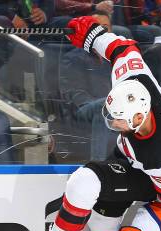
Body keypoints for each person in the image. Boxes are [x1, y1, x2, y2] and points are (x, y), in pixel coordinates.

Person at [19, 15, 161, 231]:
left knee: (84, 181)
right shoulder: (134, 79)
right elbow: (122, 48)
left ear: (140, 117)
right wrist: (91, 34)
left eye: (119, 120)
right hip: (132, 156)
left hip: (155, 177)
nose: (112, 123)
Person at [59, 10, 118, 160]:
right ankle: (97, 166)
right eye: (97, 28)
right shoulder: (73, 58)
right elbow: (74, 94)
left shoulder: (115, 58)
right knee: (104, 106)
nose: (102, 32)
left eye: (106, 28)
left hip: (114, 110)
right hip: (81, 111)